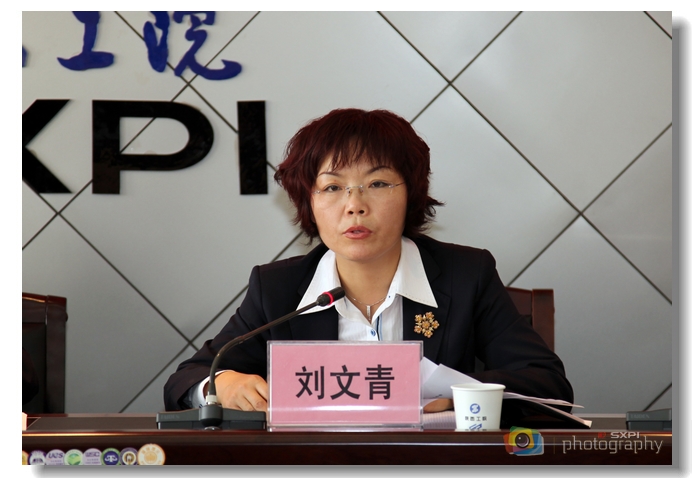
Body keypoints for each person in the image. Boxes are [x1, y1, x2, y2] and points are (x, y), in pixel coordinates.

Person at [163, 108, 573, 413]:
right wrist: (221, 384)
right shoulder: (278, 290)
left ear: (411, 193)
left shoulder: (466, 276)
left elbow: (547, 383)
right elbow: (185, 381)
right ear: (308, 202)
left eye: (377, 183)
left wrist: (455, 397)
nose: (355, 205)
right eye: (332, 187)